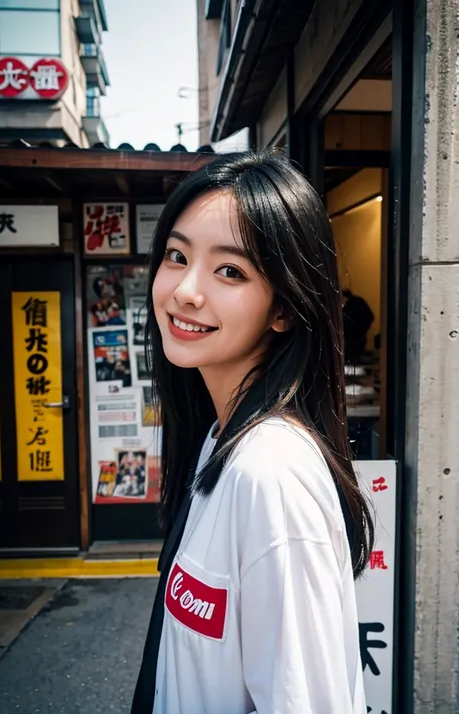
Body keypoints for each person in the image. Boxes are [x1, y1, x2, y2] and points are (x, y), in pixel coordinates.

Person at [131, 151, 373, 714]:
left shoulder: (271, 476)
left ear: (284, 308)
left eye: (230, 271)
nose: (186, 290)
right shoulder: (220, 440)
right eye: (176, 255)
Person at [342, 289, 374, 364]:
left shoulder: (349, 306)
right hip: (358, 336)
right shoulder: (359, 302)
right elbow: (370, 316)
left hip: (353, 337)